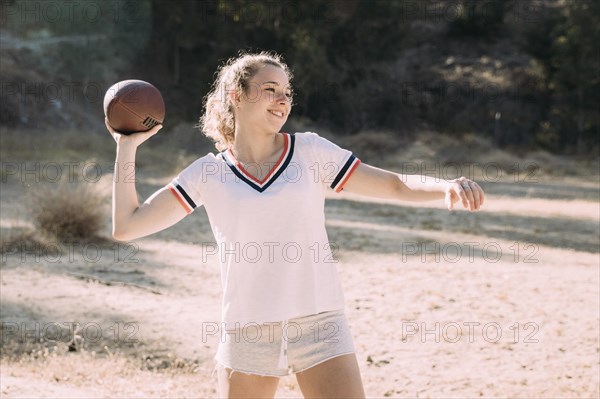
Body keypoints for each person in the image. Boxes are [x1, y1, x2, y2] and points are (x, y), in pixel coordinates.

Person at [106, 51, 485, 398]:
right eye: (270, 90)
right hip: (248, 329)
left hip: (320, 321)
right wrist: (127, 147)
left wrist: (444, 186)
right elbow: (127, 226)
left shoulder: (310, 151)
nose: (283, 100)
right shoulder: (208, 172)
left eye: (287, 92)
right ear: (236, 96)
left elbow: (394, 184)